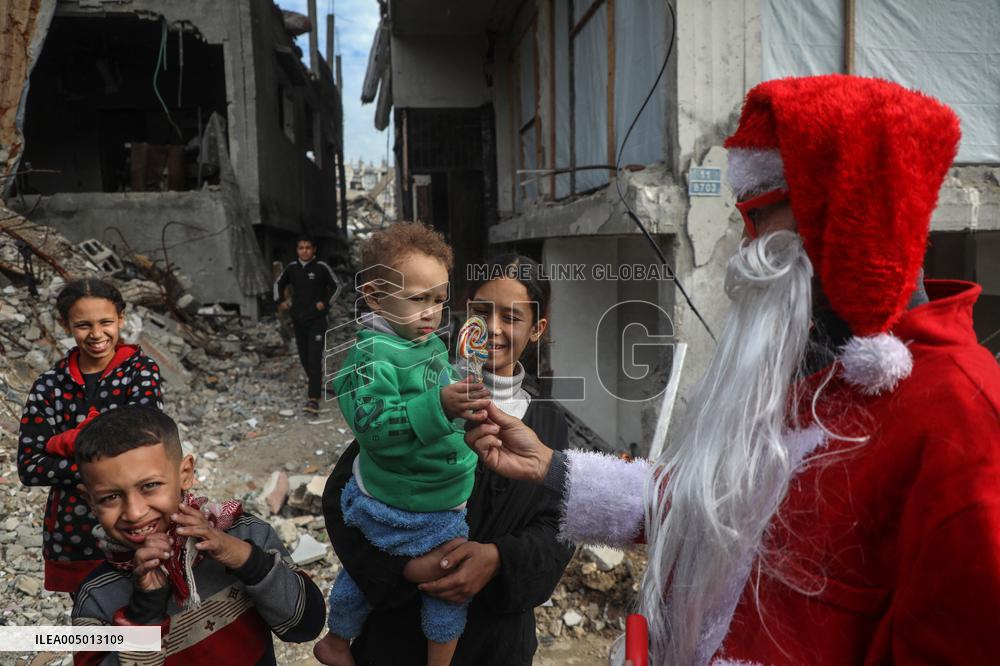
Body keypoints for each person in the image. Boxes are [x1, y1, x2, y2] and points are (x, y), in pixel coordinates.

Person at [465, 75, 1000, 665]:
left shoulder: (961, 414)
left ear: (851, 215)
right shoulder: (807, 374)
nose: (746, 252)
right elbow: (712, 505)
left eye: (758, 217)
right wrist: (551, 467)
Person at [320, 253, 574, 665]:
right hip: (397, 636)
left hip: (496, 645)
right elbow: (344, 498)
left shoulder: (549, 427)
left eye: (511, 317)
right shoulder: (417, 389)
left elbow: (557, 531)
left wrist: (497, 561)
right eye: (481, 313)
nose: (493, 328)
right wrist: (404, 568)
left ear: (537, 329)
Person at [313, 222, 493, 666]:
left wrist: (463, 397)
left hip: (439, 491)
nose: (431, 312)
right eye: (418, 299)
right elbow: (375, 428)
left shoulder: (426, 344)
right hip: (403, 501)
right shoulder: (369, 357)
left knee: (374, 575)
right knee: (444, 589)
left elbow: (438, 386)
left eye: (438, 300)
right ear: (375, 296)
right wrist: (439, 405)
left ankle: (338, 641)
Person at [70, 405, 325, 665]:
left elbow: (305, 625)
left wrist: (244, 559)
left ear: (185, 474)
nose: (134, 513)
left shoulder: (244, 534)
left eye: (150, 486)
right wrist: (144, 610)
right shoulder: (98, 595)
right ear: (89, 500)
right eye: (111, 497)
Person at [17, 278, 164, 593]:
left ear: (121, 319)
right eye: (83, 325)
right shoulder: (49, 385)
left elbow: (146, 445)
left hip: (136, 522)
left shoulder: (140, 372)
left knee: (146, 619)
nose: (96, 334)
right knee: (91, 618)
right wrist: (98, 470)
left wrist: (67, 452)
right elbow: (30, 466)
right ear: (65, 324)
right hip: (74, 531)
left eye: (106, 322)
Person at [274, 236, 342, 414]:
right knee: (304, 357)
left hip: (317, 321)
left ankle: (313, 399)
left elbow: (337, 286)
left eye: (308, 248)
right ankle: (316, 384)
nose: (304, 251)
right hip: (298, 320)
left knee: (314, 357)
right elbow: (278, 284)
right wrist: (281, 301)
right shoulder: (292, 268)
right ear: (297, 250)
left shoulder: (321, 267)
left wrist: (325, 303)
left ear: (314, 250)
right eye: (301, 248)